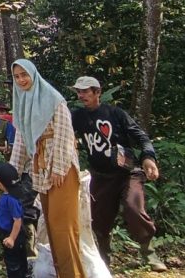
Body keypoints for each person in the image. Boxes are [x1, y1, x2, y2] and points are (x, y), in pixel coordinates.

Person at [70, 76, 167, 272]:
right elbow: (64, 132)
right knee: (99, 219)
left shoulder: (115, 114)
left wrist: (148, 157)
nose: (81, 95)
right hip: (100, 176)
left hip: (127, 173)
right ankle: (103, 259)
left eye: (86, 91)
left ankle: (149, 253)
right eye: (79, 92)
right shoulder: (77, 117)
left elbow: (140, 136)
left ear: (97, 92)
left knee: (133, 207)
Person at [8, 59, 84, 277]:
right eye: (17, 76)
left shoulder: (52, 98)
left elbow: (64, 134)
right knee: (52, 229)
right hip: (41, 173)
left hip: (61, 171)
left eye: (25, 74)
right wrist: (10, 176)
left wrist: (59, 168)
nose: (21, 80)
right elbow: (21, 144)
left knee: (64, 229)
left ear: (33, 74)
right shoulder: (22, 103)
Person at [0, 162, 28, 278]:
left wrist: (12, 238)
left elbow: (17, 220)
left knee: (13, 263)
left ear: (0, 183)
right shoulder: (7, 195)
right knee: (14, 259)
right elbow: (2, 205)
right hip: (6, 232)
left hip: (13, 234)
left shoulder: (12, 199)